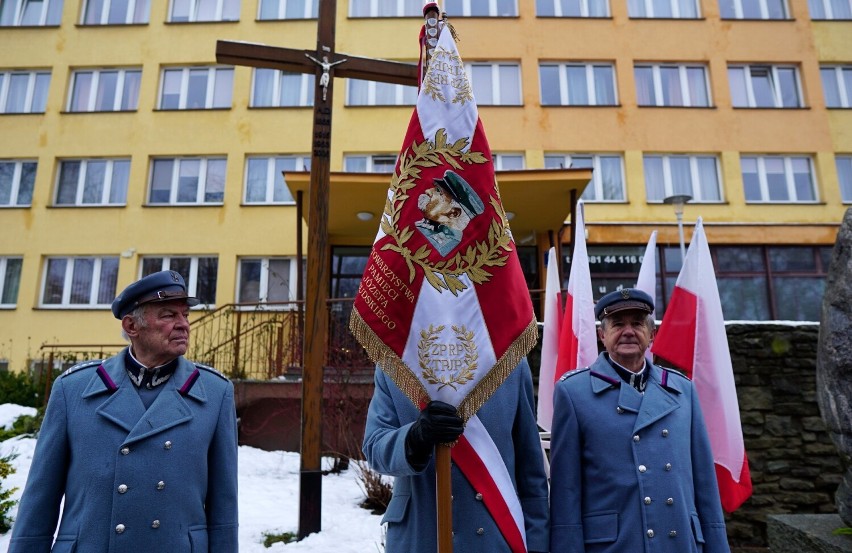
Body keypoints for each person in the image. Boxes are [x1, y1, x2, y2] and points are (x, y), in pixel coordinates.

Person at [9, 270, 239, 553]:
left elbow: (224, 506)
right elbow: (40, 497)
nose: (183, 325)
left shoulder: (215, 393)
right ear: (132, 326)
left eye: (185, 315)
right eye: (169, 315)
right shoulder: (74, 389)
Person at [549, 288, 730, 553]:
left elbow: (704, 482)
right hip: (615, 544)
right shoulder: (574, 393)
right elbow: (566, 490)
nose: (628, 331)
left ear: (652, 334)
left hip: (679, 540)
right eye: (618, 324)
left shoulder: (683, 390)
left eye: (636, 323)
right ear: (602, 335)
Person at [362, 358, 549, 552]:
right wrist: (414, 438)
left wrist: (536, 543)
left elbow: (530, 469)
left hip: (495, 535)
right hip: (419, 533)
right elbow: (375, 447)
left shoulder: (509, 357)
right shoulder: (395, 358)